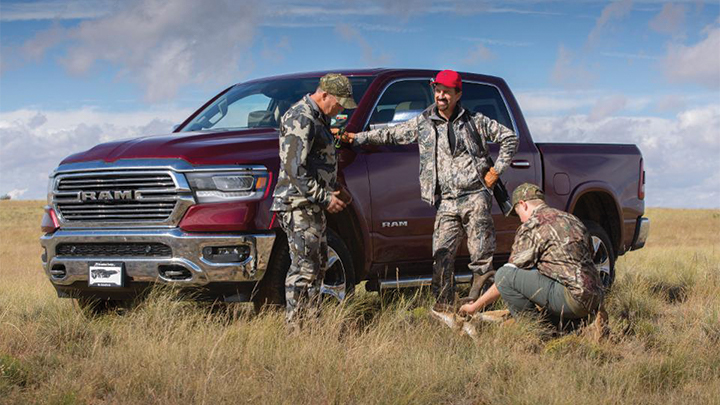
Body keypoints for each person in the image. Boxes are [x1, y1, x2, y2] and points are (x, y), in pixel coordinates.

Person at [338, 70, 518, 312]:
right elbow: (391, 134)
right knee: (441, 256)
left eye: (446, 91)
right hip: (445, 202)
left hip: (475, 197)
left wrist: (496, 171)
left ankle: (481, 309)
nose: (441, 95)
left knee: (481, 259)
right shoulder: (424, 122)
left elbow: (510, 138)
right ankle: (445, 308)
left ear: (458, 94)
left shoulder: (475, 121)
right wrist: (355, 138)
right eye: (438, 90)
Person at [459, 183, 607, 331]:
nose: (521, 220)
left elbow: (507, 276)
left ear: (523, 205)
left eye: (519, 215)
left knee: (504, 274)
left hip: (572, 299)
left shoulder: (532, 224)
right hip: (595, 298)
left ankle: (537, 331)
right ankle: (573, 326)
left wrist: (475, 307)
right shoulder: (572, 219)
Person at [270, 73, 357, 324]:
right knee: (304, 270)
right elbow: (294, 169)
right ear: (324, 94)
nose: (340, 108)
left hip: (311, 206)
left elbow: (316, 164)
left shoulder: (319, 118)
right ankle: (297, 330)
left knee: (318, 266)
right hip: (298, 206)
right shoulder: (302, 117)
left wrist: (337, 189)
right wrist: (325, 198)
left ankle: (311, 324)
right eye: (338, 102)